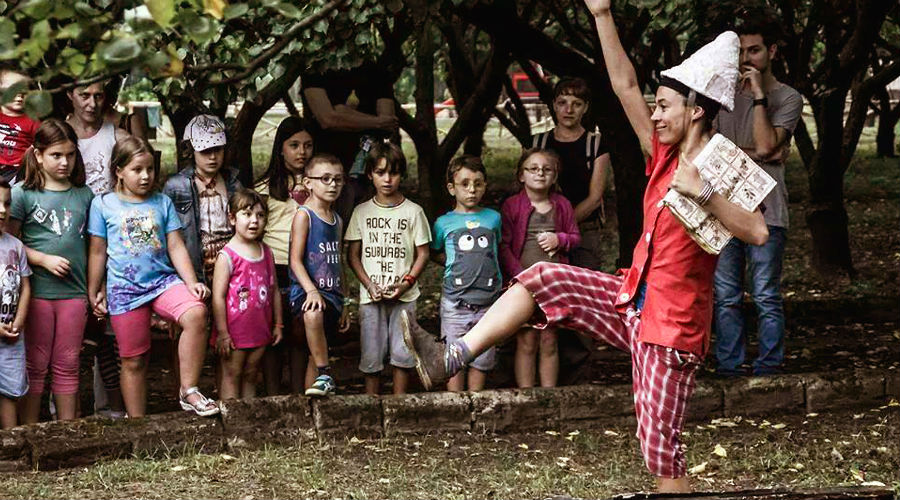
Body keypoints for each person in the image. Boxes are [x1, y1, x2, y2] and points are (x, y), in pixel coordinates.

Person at [401, 0, 769, 491]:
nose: (655, 114)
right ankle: (451, 356)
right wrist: (601, 15)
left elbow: (758, 231)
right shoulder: (663, 153)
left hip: (671, 330)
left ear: (696, 109)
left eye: (664, 106)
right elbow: (622, 86)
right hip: (630, 301)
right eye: (655, 106)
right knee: (543, 278)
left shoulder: (721, 163)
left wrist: (702, 192)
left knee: (660, 448)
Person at [87, 136, 217, 418]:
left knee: (195, 313)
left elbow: (175, 245)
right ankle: (138, 423)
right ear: (118, 171)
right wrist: (94, 289)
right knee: (133, 360)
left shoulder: (162, 202)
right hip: (125, 289)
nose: (145, 176)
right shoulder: (103, 205)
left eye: (150, 169)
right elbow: (98, 252)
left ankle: (188, 389)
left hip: (163, 283)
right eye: (137, 170)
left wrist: (191, 280)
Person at [712, 15, 803, 377]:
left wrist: (760, 98)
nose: (747, 58)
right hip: (723, 208)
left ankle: (768, 368)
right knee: (726, 297)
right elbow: (710, 151)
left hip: (768, 211)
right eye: (741, 51)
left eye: (755, 50)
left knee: (765, 294)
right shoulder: (720, 97)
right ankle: (730, 367)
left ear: (773, 51)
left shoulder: (788, 97)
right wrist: (761, 154)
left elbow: (766, 144)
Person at [9, 120, 93, 423]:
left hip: (75, 293)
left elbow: (95, 247)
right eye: (56, 155)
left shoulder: (85, 195)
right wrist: (42, 259)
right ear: (38, 155)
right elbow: (9, 243)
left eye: (70, 155)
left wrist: (95, 289)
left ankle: (66, 434)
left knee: (68, 363)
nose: (64, 162)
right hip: (37, 294)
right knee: (36, 364)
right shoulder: (22, 194)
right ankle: (30, 431)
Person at [346, 142, 430, 395]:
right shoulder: (361, 212)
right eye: (380, 172)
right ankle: (372, 406)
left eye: (393, 173)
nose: (387, 179)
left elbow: (423, 253)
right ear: (370, 174)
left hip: (404, 297)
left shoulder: (414, 212)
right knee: (371, 357)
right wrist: (368, 284)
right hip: (371, 298)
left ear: (401, 175)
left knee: (403, 355)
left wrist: (407, 282)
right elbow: (353, 256)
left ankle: (398, 406)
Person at [67, 80, 129, 417]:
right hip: (70, 242)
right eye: (84, 95)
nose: (91, 103)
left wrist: (123, 124)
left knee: (106, 328)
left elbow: (138, 158)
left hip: (109, 240)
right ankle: (65, 409)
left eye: (99, 96)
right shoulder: (61, 134)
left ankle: (109, 407)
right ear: (69, 96)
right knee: (73, 331)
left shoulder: (114, 133)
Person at [501, 149, 580, 388]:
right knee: (526, 340)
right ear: (521, 175)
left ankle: (549, 395)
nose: (540, 173)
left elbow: (576, 237)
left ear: (555, 176)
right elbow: (503, 245)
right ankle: (527, 395)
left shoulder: (562, 205)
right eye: (533, 168)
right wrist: (520, 276)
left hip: (553, 285)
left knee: (549, 340)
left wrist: (561, 239)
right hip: (523, 284)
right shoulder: (512, 206)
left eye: (547, 169)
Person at [431, 155, 502, 392]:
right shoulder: (443, 223)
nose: (472, 190)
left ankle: (476, 407)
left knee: (482, 358)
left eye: (478, 183)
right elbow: (436, 252)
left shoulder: (493, 218)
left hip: (489, 303)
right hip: (455, 301)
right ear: (452, 188)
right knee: (453, 356)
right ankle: (455, 406)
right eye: (465, 184)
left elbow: (494, 251)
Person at [254, 117, 314, 395]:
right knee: (273, 335)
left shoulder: (319, 184)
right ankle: (274, 395)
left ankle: (299, 394)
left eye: (307, 145)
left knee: (301, 335)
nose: (301, 152)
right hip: (274, 268)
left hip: (307, 268)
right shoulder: (264, 188)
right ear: (281, 148)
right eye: (294, 145)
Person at [302, 64, 399, 224]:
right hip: (327, 170)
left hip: (368, 169)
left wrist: (343, 114)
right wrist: (376, 121)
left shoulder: (377, 70)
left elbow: (388, 122)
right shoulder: (316, 68)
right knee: (328, 224)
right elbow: (327, 119)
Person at [531, 78, 611, 270]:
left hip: (584, 229)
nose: (569, 110)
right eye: (562, 103)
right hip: (541, 228)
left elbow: (594, 198)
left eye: (577, 104)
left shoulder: (596, 144)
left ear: (585, 108)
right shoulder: (538, 143)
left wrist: (563, 226)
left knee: (584, 291)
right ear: (554, 105)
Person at [212, 189, 283, 400]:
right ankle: (232, 421)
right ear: (232, 218)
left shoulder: (266, 252)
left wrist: (278, 324)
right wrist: (223, 333)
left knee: (252, 374)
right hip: (234, 333)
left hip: (260, 329)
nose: (254, 221)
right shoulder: (227, 256)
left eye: (260, 216)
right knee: (232, 373)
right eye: (247, 214)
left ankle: (248, 421)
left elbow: (274, 289)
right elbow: (218, 297)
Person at [288, 154, 350, 397]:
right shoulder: (304, 216)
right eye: (325, 179)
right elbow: (295, 259)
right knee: (312, 314)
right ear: (308, 183)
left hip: (332, 296)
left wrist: (345, 302)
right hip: (306, 293)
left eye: (338, 180)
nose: (333, 185)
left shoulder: (338, 220)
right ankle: (326, 373)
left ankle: (314, 403)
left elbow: (339, 263)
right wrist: (311, 290)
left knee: (317, 351)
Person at [164, 114, 242, 285]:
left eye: (217, 149)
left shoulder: (233, 182)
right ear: (191, 150)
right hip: (196, 264)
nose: (212, 157)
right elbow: (168, 233)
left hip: (231, 260)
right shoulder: (177, 186)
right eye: (205, 151)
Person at [0, 179, 32, 428]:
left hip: (11, 335)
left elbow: (25, 287)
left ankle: (12, 447)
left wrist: (18, 322)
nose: (3, 210)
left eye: (7, 203)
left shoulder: (16, 246)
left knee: (11, 391)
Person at [0, 68, 40, 183]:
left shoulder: (32, 121)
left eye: (24, 90)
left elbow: (41, 145)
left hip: (16, 172)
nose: (20, 94)